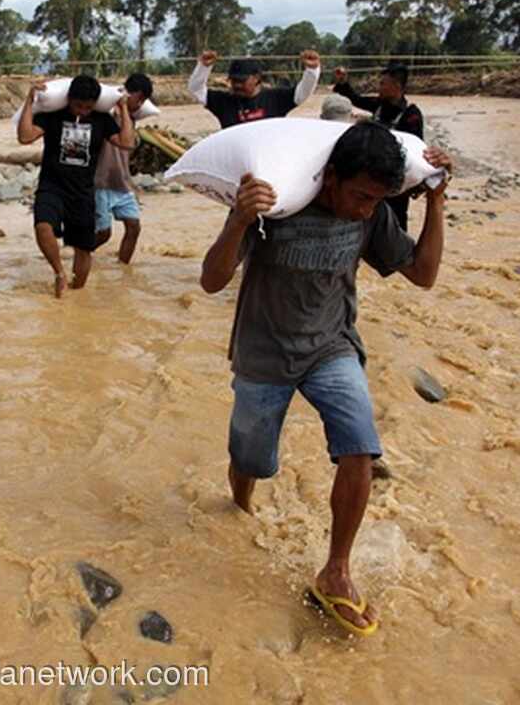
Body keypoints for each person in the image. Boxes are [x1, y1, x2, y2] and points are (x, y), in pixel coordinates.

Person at [199, 121, 452, 638]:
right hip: (263, 353)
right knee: (250, 463)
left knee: (360, 447)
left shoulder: (373, 214)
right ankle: (240, 506)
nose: (364, 208)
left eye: (375, 199)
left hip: (331, 348)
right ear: (330, 177)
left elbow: (424, 275)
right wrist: (239, 221)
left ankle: (337, 568)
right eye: (359, 195)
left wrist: (436, 202)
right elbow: (211, 280)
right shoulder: (279, 202)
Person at [17, 74, 135, 298]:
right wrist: (29, 101)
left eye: (88, 107)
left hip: (82, 192)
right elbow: (24, 137)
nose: (82, 111)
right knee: (43, 227)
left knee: (84, 248)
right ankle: (59, 272)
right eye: (78, 105)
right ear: (69, 99)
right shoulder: (52, 116)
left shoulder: (101, 119)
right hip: (52, 186)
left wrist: (124, 109)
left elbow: (127, 143)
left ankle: (77, 298)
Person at [333, 63, 424, 229]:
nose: (379, 87)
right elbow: (355, 98)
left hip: (395, 185)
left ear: (396, 86)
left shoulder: (411, 115)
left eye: (383, 84)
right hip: (372, 178)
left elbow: (416, 151)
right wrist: (342, 82)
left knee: (395, 224)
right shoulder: (379, 105)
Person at [93, 73, 152, 263]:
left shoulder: (130, 119)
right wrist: (122, 105)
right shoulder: (107, 114)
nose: (141, 103)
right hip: (101, 182)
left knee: (134, 227)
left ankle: (123, 268)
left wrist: (126, 108)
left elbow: (128, 146)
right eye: (139, 98)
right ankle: (80, 252)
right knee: (103, 234)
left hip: (122, 183)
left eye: (144, 100)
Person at [189, 49, 321, 129]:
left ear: (257, 78)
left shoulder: (277, 98)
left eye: (242, 81)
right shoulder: (223, 101)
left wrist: (312, 70)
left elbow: (303, 93)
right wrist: (203, 67)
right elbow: (196, 90)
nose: (237, 85)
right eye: (233, 81)